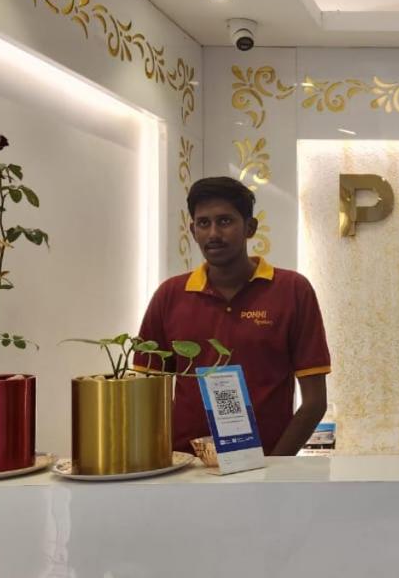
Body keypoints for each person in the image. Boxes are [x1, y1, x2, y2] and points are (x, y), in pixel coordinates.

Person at [136, 176, 330, 456]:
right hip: (186, 467)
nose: (213, 233)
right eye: (203, 223)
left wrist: (275, 468)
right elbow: (146, 395)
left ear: (250, 228)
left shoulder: (293, 290)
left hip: (267, 464)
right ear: (192, 230)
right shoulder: (170, 295)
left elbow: (315, 402)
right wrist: (165, 460)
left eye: (225, 221)